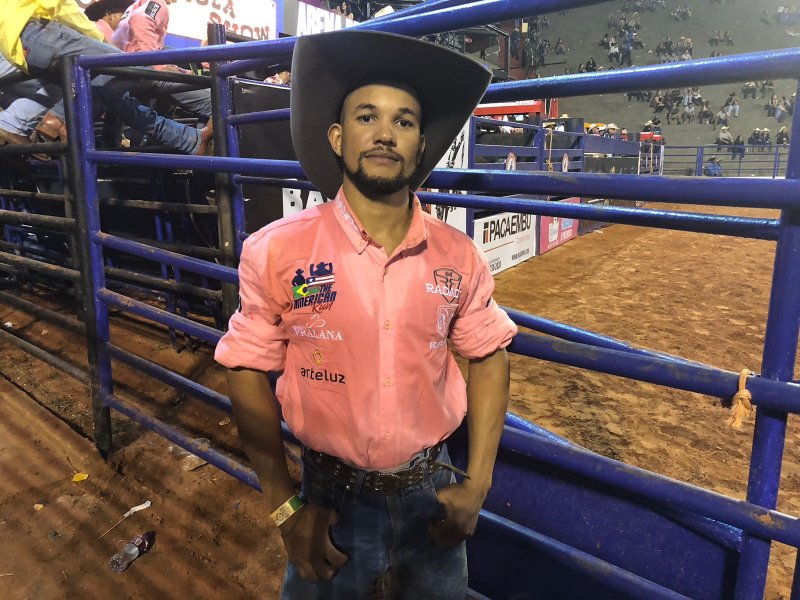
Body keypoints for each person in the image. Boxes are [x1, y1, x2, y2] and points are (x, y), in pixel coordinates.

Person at [215, 30, 516, 598]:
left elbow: (489, 355)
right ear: (337, 137)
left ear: (421, 146)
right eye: (366, 117)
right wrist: (285, 507)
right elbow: (246, 367)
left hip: (433, 490)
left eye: (404, 121)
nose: (384, 133)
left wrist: (478, 483)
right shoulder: (276, 250)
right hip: (331, 499)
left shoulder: (458, 255)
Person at [0, 0, 212, 154]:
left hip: (19, 43)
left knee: (104, 93)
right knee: (135, 69)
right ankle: (58, 119)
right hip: (36, 29)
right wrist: (100, 40)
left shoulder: (135, 9)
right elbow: (60, 4)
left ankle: (189, 140)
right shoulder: (155, 4)